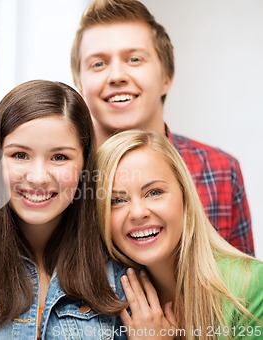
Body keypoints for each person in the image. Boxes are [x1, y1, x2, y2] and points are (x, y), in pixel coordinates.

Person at [0, 80, 127, 339]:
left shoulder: (115, 263)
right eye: (19, 155)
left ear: (84, 165)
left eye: (59, 157)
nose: (38, 177)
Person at [70, 0, 254, 255]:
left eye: (134, 59)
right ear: (80, 84)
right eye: (98, 64)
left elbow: (247, 288)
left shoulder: (221, 171)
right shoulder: (63, 175)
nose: (116, 76)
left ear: (166, 77)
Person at [96, 130, 262, 339]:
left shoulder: (252, 285)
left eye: (154, 192)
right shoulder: (108, 301)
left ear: (185, 195)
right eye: (117, 201)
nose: (138, 213)